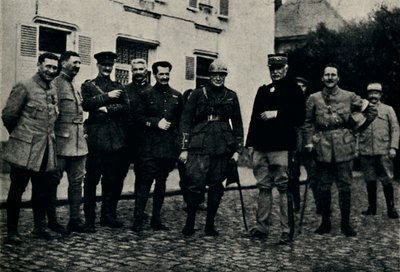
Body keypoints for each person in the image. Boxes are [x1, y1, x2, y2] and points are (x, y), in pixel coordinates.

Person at [304, 63, 377, 237]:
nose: (330, 78)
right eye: (327, 75)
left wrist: (358, 127)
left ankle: (345, 224)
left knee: (345, 186)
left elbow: (372, 111)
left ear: (338, 78)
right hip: (322, 148)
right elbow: (307, 123)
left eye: (333, 75)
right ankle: (325, 223)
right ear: (322, 78)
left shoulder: (349, 96)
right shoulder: (314, 98)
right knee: (323, 186)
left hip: (344, 147)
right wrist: (309, 142)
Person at [179, 60, 244, 236]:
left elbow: (237, 124)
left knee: (217, 187)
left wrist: (238, 150)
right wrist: (184, 148)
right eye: (215, 75)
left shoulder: (231, 96)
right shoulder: (198, 94)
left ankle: (210, 225)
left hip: (222, 147)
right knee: (195, 185)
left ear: (225, 76)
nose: (218, 78)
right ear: (209, 76)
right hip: (199, 146)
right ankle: (189, 223)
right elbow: (185, 121)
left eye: (221, 75)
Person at [246, 53, 305, 244]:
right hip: (262, 147)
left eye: (279, 68)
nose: (275, 72)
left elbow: (299, 117)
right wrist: (250, 144)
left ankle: (287, 230)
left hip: (281, 146)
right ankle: (261, 227)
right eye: (272, 69)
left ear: (286, 69)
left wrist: (277, 114)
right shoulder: (263, 90)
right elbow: (254, 118)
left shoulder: (294, 90)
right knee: (263, 186)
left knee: (283, 187)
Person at [2, 52, 59, 244]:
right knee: (17, 190)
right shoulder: (24, 86)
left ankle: (39, 228)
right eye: (48, 66)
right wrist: (21, 137)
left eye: (54, 67)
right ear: (39, 65)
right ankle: (12, 232)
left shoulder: (52, 90)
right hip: (24, 149)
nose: (51, 71)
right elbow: (9, 116)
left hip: (45, 149)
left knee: (41, 190)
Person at [132, 61, 183, 232]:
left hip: (168, 149)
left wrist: (180, 146)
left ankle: (156, 218)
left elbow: (181, 122)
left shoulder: (177, 96)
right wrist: (155, 123)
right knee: (144, 184)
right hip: (149, 149)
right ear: (154, 75)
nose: (164, 77)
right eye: (161, 74)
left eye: (167, 74)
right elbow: (137, 117)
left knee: (161, 184)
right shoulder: (146, 94)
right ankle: (138, 219)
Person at [81, 51, 129, 232]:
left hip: (114, 141)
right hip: (96, 141)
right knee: (91, 180)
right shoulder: (89, 85)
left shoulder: (119, 86)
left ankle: (107, 216)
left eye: (110, 65)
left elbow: (126, 107)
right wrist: (108, 96)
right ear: (98, 66)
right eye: (104, 65)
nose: (107, 68)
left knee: (111, 180)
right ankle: (89, 219)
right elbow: (86, 104)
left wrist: (106, 110)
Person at [46, 51, 89, 235]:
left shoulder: (74, 84)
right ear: (63, 63)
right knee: (52, 183)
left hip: (79, 144)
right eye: (74, 63)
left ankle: (75, 220)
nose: (78, 66)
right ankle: (52, 221)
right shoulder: (55, 84)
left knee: (76, 183)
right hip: (60, 144)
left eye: (80, 63)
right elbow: (50, 115)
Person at [358, 82, 399, 218]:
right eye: (371, 93)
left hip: (383, 150)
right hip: (366, 151)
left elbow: (395, 129)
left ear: (380, 95)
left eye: (376, 93)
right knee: (369, 180)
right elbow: (356, 130)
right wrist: (357, 148)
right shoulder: (362, 110)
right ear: (367, 94)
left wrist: (393, 147)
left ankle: (391, 209)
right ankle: (372, 208)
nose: (373, 95)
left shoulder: (388, 109)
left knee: (387, 180)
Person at [290, 77, 321, 214]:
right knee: (293, 176)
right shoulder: (288, 101)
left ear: (306, 88)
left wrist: (315, 138)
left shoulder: (312, 101)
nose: (299, 88)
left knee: (314, 175)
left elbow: (318, 121)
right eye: (297, 86)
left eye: (302, 86)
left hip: (309, 144)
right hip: (294, 145)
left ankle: (320, 204)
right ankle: (295, 203)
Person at [123, 58, 151, 200]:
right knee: (118, 175)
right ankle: (111, 213)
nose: (138, 72)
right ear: (131, 71)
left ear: (146, 71)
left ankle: (139, 212)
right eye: (135, 70)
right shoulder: (125, 90)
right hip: (126, 139)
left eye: (141, 69)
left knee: (143, 177)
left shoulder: (152, 91)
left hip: (145, 141)